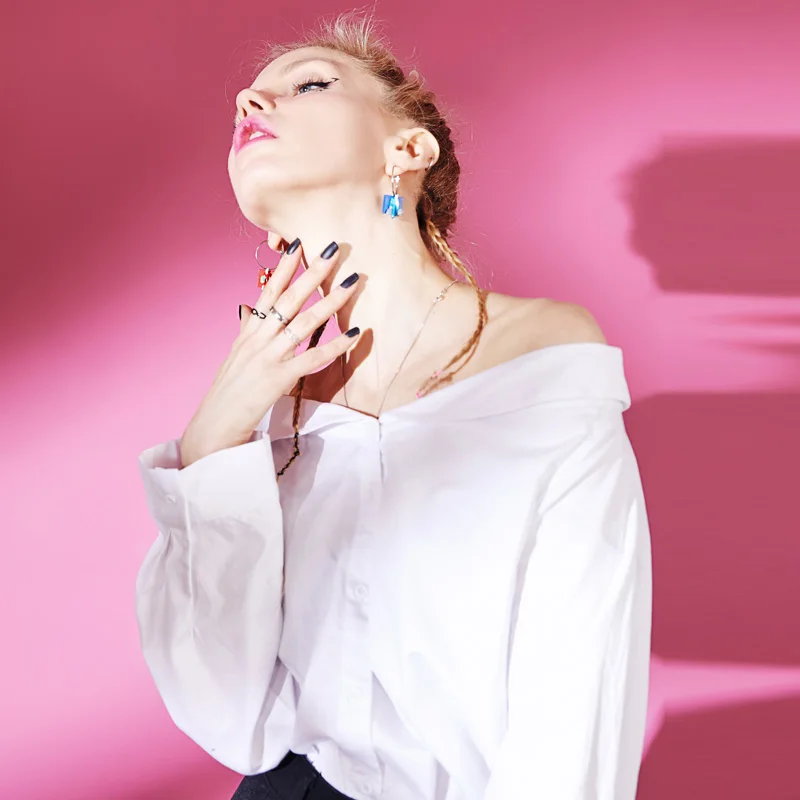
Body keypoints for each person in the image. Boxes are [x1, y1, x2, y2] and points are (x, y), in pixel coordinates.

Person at [134, 10, 653, 800]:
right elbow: (227, 713)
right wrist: (212, 436)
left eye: (309, 84)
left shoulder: (542, 360)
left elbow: (576, 703)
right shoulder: (268, 414)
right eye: (247, 99)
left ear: (408, 151)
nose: (248, 101)